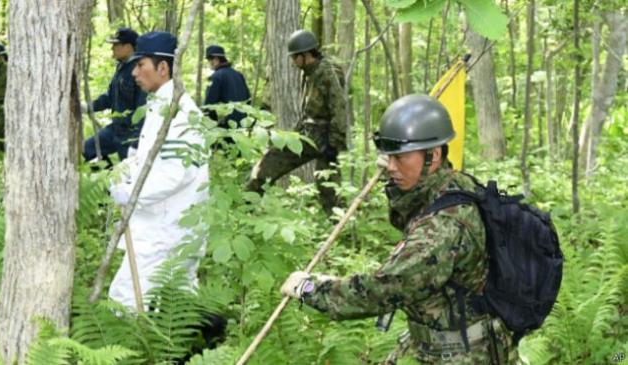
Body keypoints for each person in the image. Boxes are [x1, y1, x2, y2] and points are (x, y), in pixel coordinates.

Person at [280, 95, 518, 364]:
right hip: (447, 340)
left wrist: (309, 288)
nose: (391, 167)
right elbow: (410, 217)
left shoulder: (444, 227)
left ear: (434, 155)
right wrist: (395, 180)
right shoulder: (453, 185)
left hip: (465, 355)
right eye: (389, 157)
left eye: (400, 157)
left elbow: (384, 289)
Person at [107, 31, 209, 310]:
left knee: (127, 299)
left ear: (162, 68)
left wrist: (128, 193)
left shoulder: (180, 113)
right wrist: (125, 168)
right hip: (165, 225)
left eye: (141, 66)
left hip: (166, 229)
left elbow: (175, 173)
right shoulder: (161, 106)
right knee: (177, 309)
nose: (135, 73)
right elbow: (150, 156)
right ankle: (193, 350)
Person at [246, 29, 347, 215]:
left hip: (320, 137)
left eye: (295, 57)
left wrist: (334, 143)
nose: (293, 62)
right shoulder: (310, 71)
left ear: (305, 55)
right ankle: (341, 227)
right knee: (328, 189)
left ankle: (243, 211)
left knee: (265, 168)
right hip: (313, 132)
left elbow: (339, 107)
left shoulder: (326, 71)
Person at [82, 27, 147, 163]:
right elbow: (110, 98)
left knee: (128, 171)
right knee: (88, 149)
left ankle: (118, 181)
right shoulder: (121, 68)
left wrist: (137, 140)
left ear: (128, 47)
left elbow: (143, 108)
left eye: (116, 45)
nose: (112, 48)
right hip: (115, 129)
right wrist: (87, 107)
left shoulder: (140, 70)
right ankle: (108, 180)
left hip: (130, 133)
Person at [203, 44, 251, 128]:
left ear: (216, 59)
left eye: (210, 59)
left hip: (225, 129)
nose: (209, 62)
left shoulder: (216, 77)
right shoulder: (239, 75)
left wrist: (209, 124)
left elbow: (210, 105)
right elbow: (248, 100)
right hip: (243, 126)